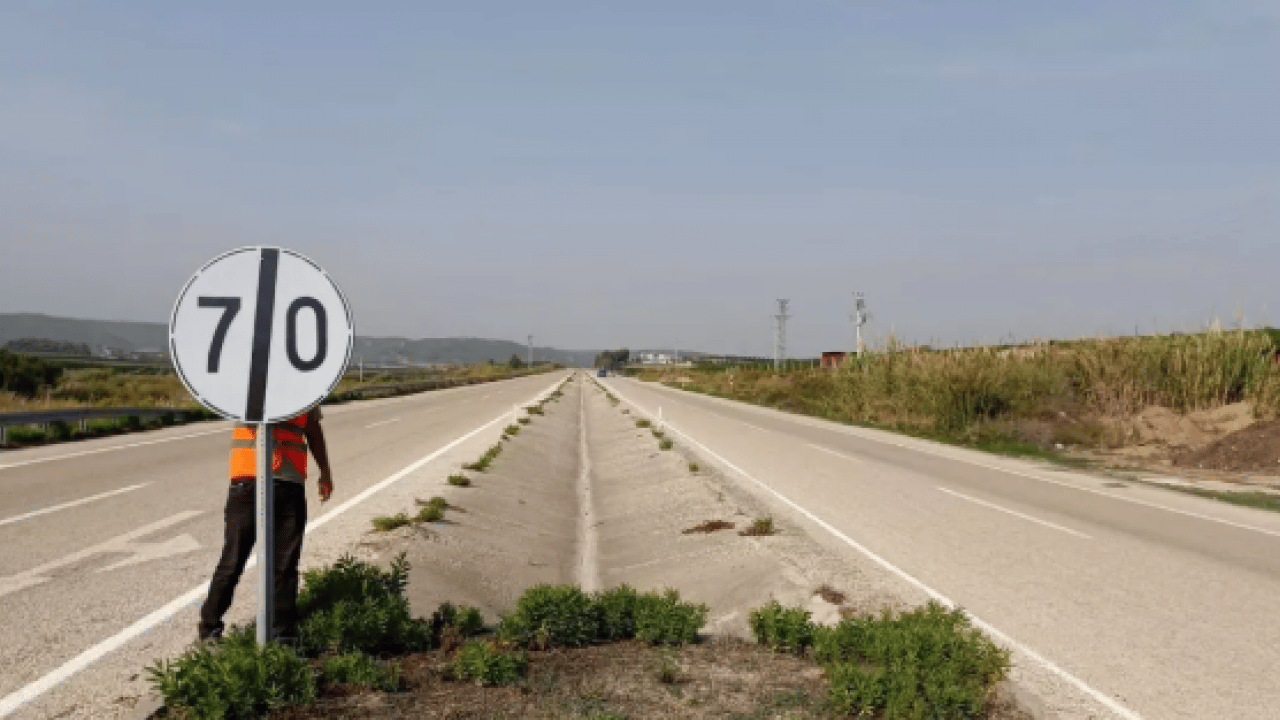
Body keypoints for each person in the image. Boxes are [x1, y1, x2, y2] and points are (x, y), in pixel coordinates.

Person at [198, 405, 333, 642]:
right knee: (233, 561)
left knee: (285, 565)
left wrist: (325, 471)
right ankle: (210, 630)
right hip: (249, 480)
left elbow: (313, 429)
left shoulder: (306, 381)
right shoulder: (250, 377)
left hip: (289, 483)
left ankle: (283, 636)